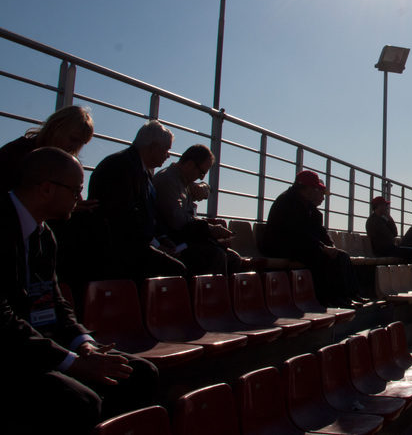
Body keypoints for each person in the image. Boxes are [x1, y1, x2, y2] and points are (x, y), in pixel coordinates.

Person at [1, 147, 158, 434]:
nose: (80, 199)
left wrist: (82, 343)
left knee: (140, 374)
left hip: (36, 342)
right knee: (79, 401)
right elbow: (3, 321)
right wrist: (72, 363)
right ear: (47, 189)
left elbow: (54, 301)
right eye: (75, 191)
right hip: (9, 353)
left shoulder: (43, 235)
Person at [81, 120, 186, 283]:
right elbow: (123, 219)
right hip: (118, 249)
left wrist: (162, 239)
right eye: (166, 150)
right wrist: (158, 245)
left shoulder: (137, 170)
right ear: (153, 147)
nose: (168, 155)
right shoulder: (120, 167)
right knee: (178, 271)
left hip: (133, 244)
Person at [260, 171, 363, 307]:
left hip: (300, 245)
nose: (318, 193)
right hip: (282, 246)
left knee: (341, 256)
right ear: (307, 188)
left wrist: (331, 246)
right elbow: (297, 233)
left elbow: (319, 231)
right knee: (322, 258)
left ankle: (350, 295)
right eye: (316, 189)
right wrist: (322, 247)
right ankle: (330, 298)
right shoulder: (287, 202)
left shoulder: (308, 206)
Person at [152, 144, 240, 275]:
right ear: (189, 165)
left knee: (233, 258)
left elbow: (202, 192)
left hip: (183, 238)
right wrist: (209, 229)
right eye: (202, 172)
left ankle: (223, 294)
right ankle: (208, 294)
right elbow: (177, 221)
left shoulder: (184, 183)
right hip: (172, 241)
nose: (202, 178)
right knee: (216, 256)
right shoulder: (168, 181)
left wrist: (203, 187)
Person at [0, 105, 95, 192]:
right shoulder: (17, 153)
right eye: (73, 139)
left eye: (81, 143)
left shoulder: (63, 164)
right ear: (56, 127)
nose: (75, 147)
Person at [365, 196, 412, 262]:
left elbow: (395, 233)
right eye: (385, 205)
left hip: (388, 248)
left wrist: (389, 218)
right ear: (379, 206)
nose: (387, 207)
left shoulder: (382, 219)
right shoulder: (374, 220)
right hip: (382, 250)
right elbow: (390, 236)